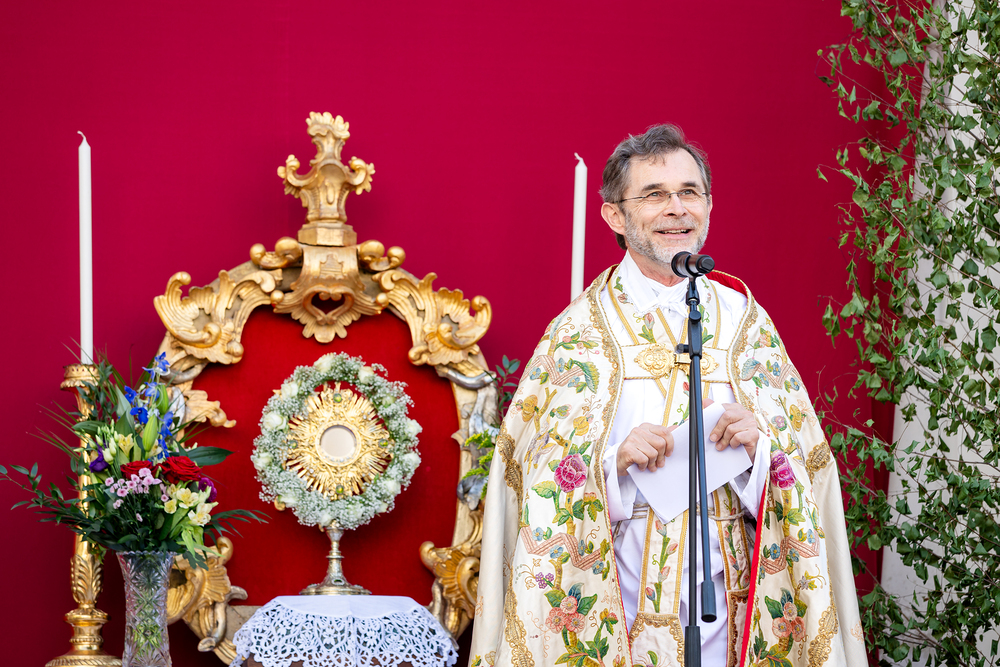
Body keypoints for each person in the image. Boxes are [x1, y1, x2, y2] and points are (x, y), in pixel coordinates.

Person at [469, 124, 866, 666]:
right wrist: (611, 462)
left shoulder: (745, 321)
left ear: (708, 205)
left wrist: (761, 449)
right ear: (615, 215)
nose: (676, 208)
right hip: (614, 602)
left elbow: (809, 469)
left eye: (689, 192)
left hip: (736, 607)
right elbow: (529, 476)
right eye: (654, 194)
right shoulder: (579, 332)